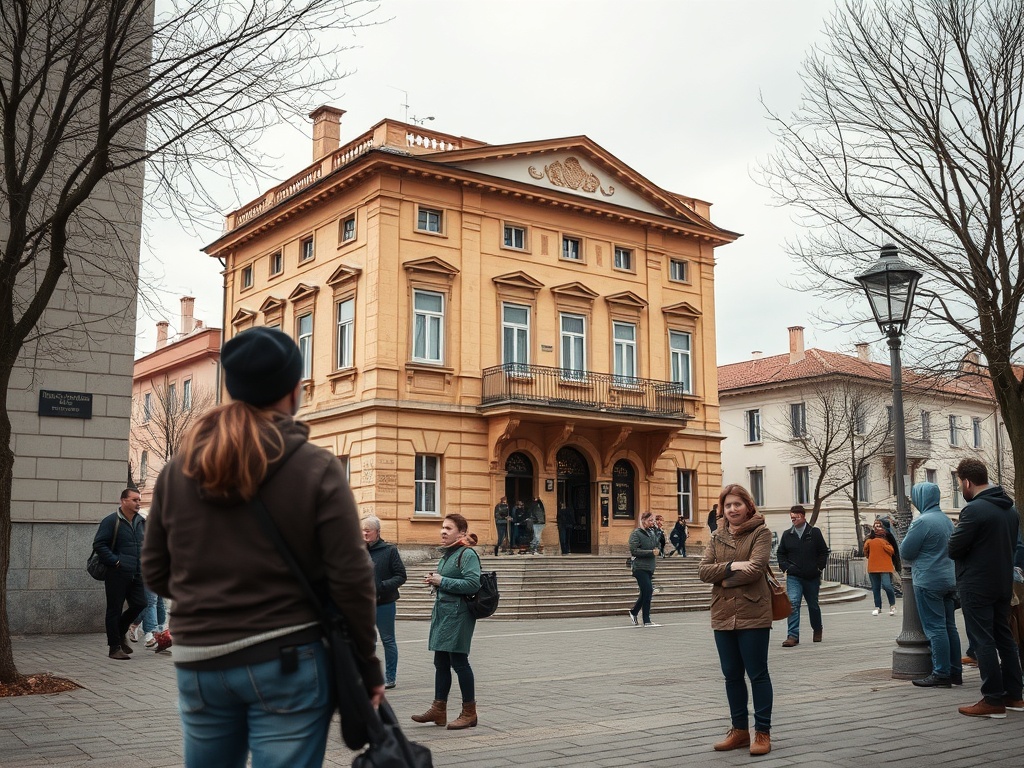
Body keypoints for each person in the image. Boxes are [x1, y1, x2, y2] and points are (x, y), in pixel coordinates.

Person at [141, 326, 383, 767]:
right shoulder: (316, 467)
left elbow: (155, 573)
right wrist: (366, 664)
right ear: (294, 390)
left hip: (199, 659)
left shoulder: (177, 471)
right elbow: (352, 578)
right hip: (287, 658)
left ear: (232, 388)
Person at [698, 484, 773, 756]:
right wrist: (730, 566)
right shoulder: (717, 536)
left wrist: (724, 579)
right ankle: (739, 731)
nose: (732, 509)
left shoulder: (761, 532)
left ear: (748, 505)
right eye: (727, 505)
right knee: (731, 675)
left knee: (757, 674)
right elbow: (703, 571)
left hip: (753, 612)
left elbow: (755, 568)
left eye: (736, 504)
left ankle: (762, 732)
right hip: (722, 613)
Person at [948, 458, 1024, 718]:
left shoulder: (974, 510)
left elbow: (954, 548)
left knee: (983, 641)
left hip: (977, 584)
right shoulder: (1009, 510)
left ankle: (992, 699)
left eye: (960, 484)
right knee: (1004, 638)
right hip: (1002, 583)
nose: (961, 490)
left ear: (967, 482)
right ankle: (1014, 695)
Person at [412, 513, 482, 731]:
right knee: (440, 663)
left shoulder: (467, 554)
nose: (443, 531)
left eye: (448, 528)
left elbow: (472, 583)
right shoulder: (448, 555)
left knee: (459, 663)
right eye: (442, 527)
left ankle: (469, 712)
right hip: (444, 613)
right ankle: (438, 709)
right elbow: (451, 582)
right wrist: (435, 581)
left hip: (459, 615)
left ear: (461, 532)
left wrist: (442, 580)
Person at [901, 482, 962, 687]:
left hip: (928, 579)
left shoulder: (922, 521)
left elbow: (906, 552)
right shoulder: (946, 520)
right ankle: (955, 671)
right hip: (948, 579)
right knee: (949, 626)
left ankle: (941, 673)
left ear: (921, 498)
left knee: (935, 628)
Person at [93, 488, 148, 660]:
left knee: (140, 604)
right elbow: (99, 544)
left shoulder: (141, 521)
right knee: (114, 610)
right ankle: (114, 647)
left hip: (137, 573)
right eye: (134, 500)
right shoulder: (111, 521)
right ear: (123, 501)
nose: (138, 503)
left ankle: (120, 632)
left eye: (139, 500)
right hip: (116, 573)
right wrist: (116, 562)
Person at [363, 514, 408, 690]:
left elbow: (401, 576)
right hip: (364, 604)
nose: (364, 534)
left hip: (384, 603)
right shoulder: (358, 549)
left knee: (388, 640)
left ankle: (390, 677)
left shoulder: (389, 550)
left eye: (368, 531)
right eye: (362, 531)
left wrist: (382, 586)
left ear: (377, 532)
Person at [776, 504, 829, 647]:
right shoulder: (788, 534)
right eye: (791, 517)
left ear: (803, 516)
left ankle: (817, 629)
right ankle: (792, 635)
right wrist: (785, 567)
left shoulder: (814, 533)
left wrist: (818, 568)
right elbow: (781, 553)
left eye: (796, 517)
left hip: (812, 576)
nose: (793, 519)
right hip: (794, 576)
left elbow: (823, 551)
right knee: (793, 603)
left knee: (813, 605)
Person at [627, 511, 661, 627]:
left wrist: (658, 533)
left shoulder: (652, 533)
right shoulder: (636, 534)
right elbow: (634, 550)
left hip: (649, 567)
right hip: (639, 567)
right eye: (650, 520)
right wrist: (650, 552)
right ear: (643, 521)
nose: (652, 523)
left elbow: (657, 546)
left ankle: (634, 612)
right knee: (648, 590)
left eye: (653, 520)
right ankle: (646, 620)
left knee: (646, 592)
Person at [864, 519, 897, 616]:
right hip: (873, 566)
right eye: (876, 526)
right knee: (875, 588)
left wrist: (881, 542)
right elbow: (866, 552)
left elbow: (892, 551)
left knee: (887, 586)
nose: (877, 528)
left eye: (879, 526)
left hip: (885, 567)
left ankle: (892, 605)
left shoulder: (886, 540)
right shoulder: (869, 541)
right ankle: (877, 606)